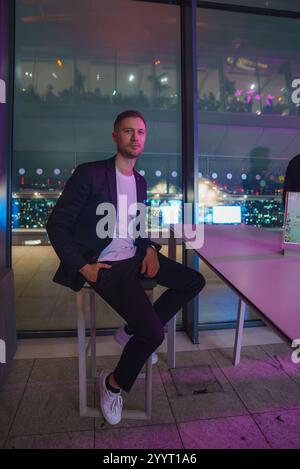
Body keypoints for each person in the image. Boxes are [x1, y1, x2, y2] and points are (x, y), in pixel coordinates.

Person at [46, 110, 206, 425]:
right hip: (104, 264)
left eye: (141, 132)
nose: (136, 137)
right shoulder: (90, 174)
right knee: (154, 336)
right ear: (115, 136)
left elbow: (138, 226)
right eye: (128, 131)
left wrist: (147, 248)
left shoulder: (140, 181)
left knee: (193, 281)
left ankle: (131, 331)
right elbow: (57, 225)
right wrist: (83, 267)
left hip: (133, 255)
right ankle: (113, 384)